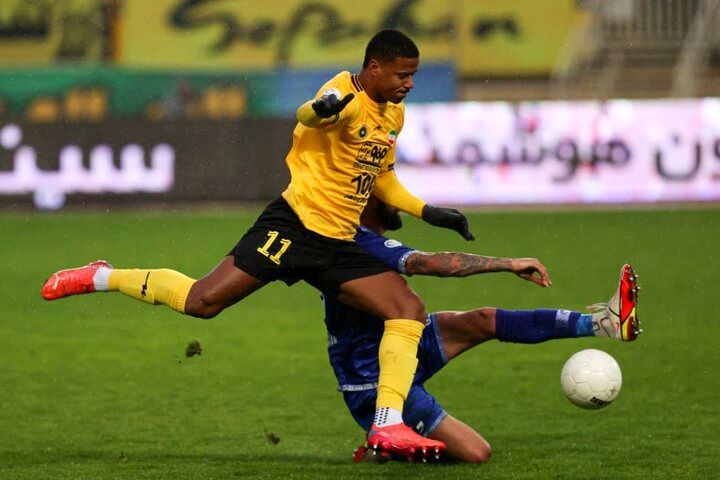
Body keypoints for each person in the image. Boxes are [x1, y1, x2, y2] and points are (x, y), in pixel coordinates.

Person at [40, 30, 474, 460]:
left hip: (339, 241)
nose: (409, 83)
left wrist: (428, 211)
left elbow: (382, 177)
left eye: (412, 75)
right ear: (374, 67)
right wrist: (320, 108)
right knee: (202, 302)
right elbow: (310, 115)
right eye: (402, 74)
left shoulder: (393, 114)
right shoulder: (344, 93)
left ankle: (387, 424)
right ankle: (102, 276)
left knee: (406, 309)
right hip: (295, 228)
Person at [321, 198, 641, 463]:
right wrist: (508, 264)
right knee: (476, 453)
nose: (399, 204)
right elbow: (431, 264)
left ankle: (603, 324)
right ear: (366, 201)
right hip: (371, 377)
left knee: (483, 320)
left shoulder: (358, 239)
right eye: (388, 197)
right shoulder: (354, 243)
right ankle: (387, 446)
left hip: (404, 341)